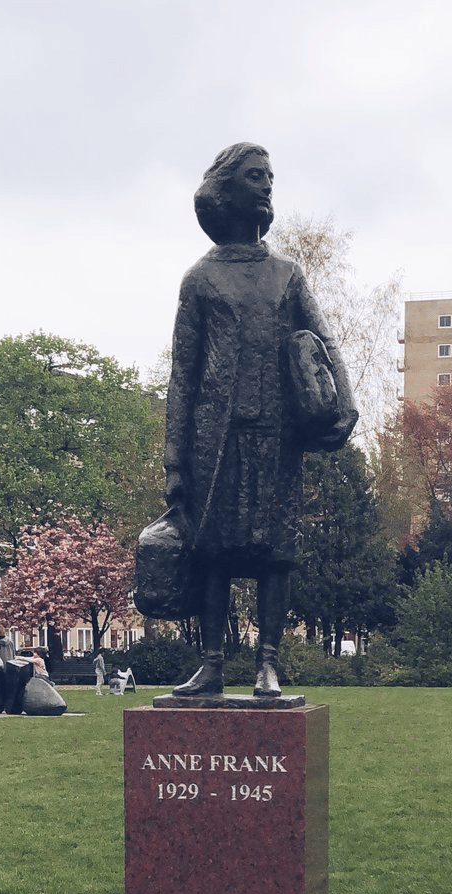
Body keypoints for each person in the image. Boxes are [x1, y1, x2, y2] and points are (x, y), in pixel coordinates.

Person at [165, 143, 357, 698]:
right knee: (212, 551)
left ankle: (267, 664)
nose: (268, 185)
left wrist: (343, 405)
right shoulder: (200, 280)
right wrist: (175, 460)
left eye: (270, 176)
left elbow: (325, 341)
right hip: (213, 440)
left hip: (277, 438)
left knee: (277, 552)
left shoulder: (287, 275)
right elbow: (183, 374)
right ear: (228, 190)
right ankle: (211, 663)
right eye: (256, 176)